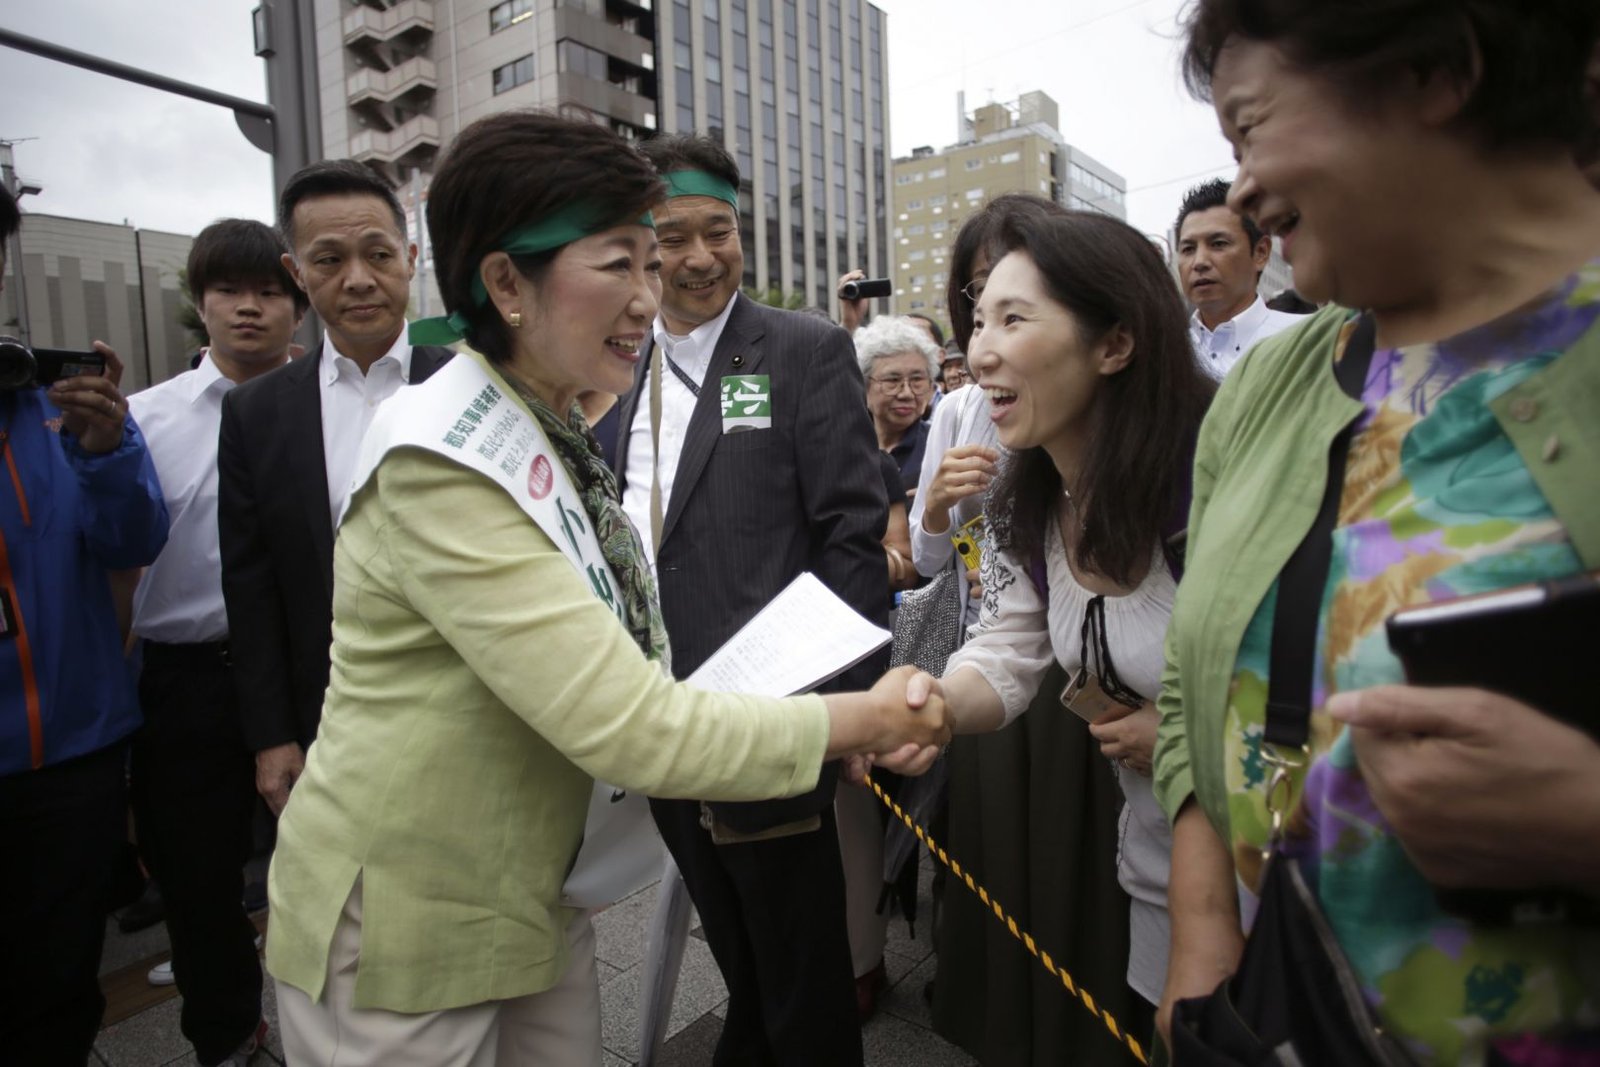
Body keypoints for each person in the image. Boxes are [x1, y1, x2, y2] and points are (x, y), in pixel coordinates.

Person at [264, 110, 945, 1066]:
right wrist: (867, 717)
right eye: (622, 262)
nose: (649, 293)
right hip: (410, 917)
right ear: (507, 283)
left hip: (536, 886)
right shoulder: (447, 457)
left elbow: (838, 539)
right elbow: (632, 722)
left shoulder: (546, 423)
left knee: (792, 972)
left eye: (649, 262)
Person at [1154, 3, 1600, 1062]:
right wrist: (1203, 939)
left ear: (1435, 72)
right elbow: (1188, 676)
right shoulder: (1266, 382)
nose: (1241, 191)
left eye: (1252, 129)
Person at [612, 134, 890, 1067]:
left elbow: (852, 532)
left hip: (774, 716)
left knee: (803, 968)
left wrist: (849, 704)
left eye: (718, 231)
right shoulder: (619, 367)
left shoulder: (802, 348)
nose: (699, 257)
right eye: (672, 237)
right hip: (660, 717)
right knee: (738, 948)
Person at [917, 208, 1214, 1045]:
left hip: (1272, 880)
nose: (980, 352)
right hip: (1153, 865)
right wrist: (927, 704)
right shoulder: (1036, 500)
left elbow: (1323, 689)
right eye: (978, 318)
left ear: (1115, 342)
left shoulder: (1212, 485)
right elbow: (1009, 649)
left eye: (1014, 318)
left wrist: (1186, 739)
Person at [217, 160, 455, 818]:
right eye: (328, 259)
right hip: (325, 718)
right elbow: (251, 585)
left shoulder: (477, 387)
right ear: (297, 273)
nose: (358, 279)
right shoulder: (255, 413)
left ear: (410, 258)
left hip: (464, 706)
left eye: (378, 254)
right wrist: (271, 736)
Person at [125, 219, 305, 1066]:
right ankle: (229, 1036)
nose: (249, 307)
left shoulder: (333, 410)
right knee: (197, 881)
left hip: (305, 670)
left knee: (330, 860)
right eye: (229, 290)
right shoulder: (142, 419)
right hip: (187, 680)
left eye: (270, 291)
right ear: (200, 303)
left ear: (298, 304)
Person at [0, 186, 170, 1063]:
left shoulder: (51, 411)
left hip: (74, 751)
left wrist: (105, 452)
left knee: (60, 977)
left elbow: (136, 541)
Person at [1175, 177, 1303, 380]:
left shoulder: (1306, 340)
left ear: (1261, 253)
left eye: (1218, 244)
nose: (1199, 262)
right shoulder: (1163, 355)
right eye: (1188, 249)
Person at [854, 315, 940, 488]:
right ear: (864, 385)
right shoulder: (845, 448)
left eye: (917, 380)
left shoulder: (939, 447)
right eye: (892, 380)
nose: (906, 394)